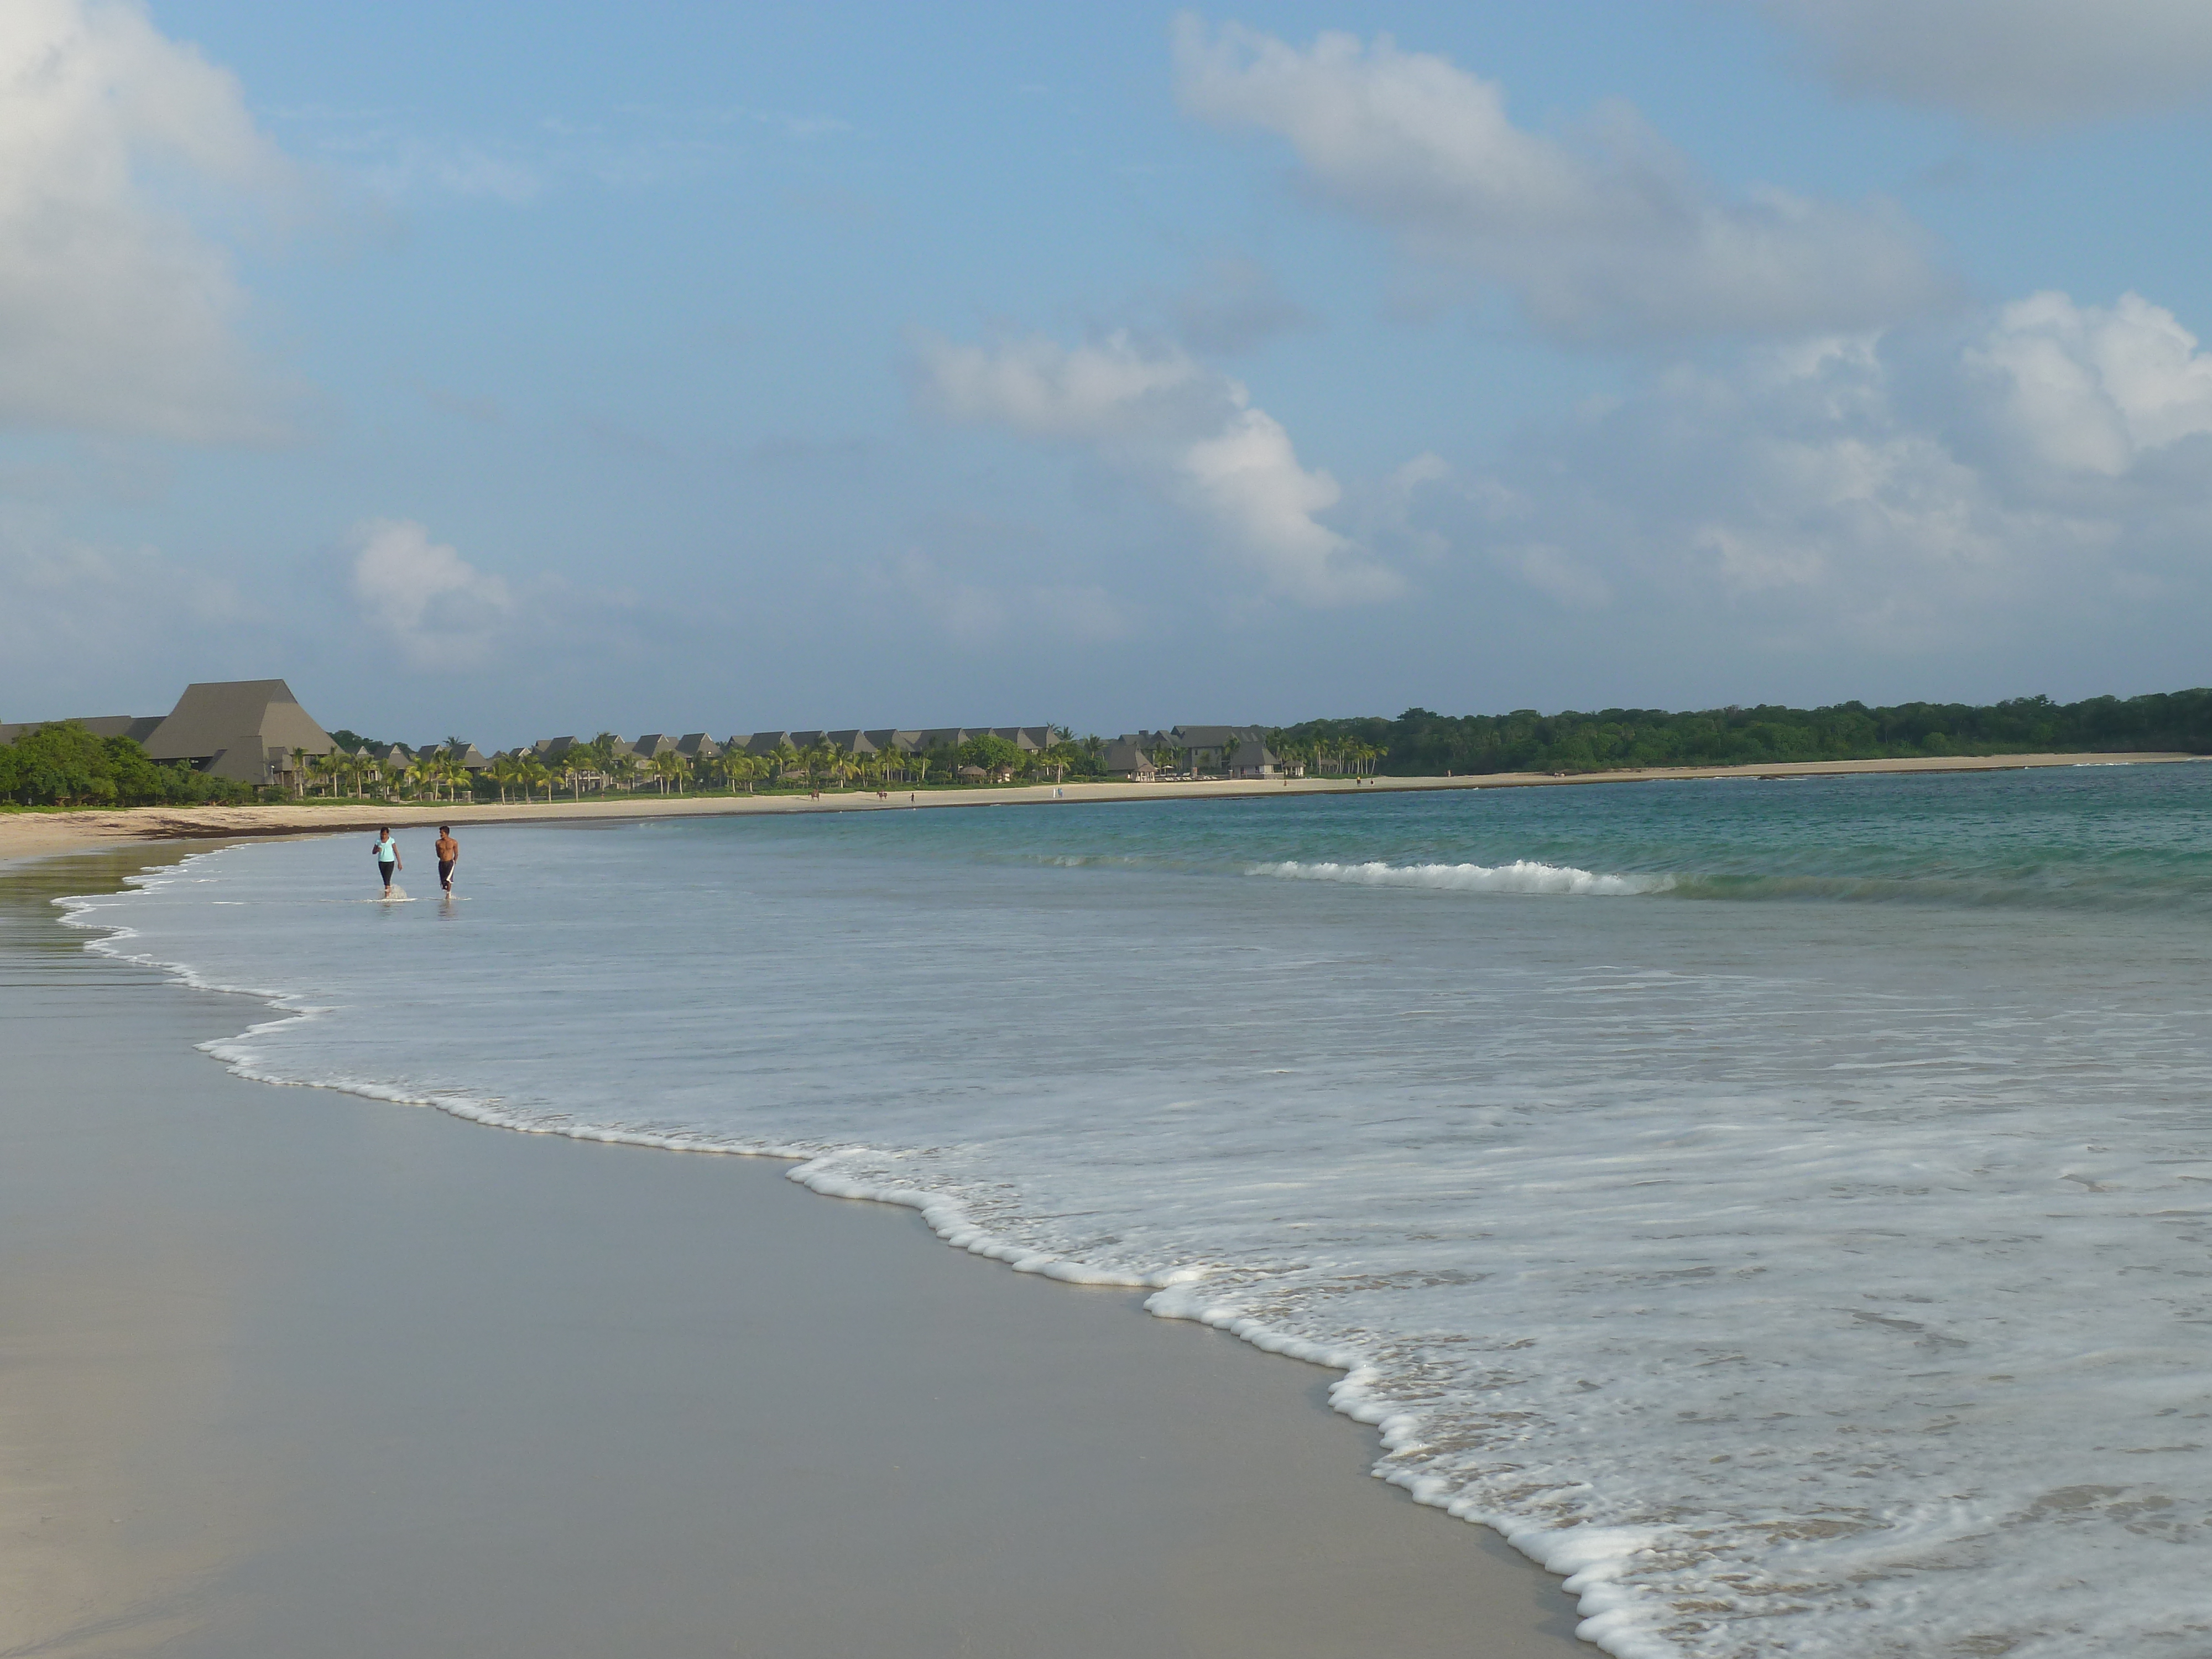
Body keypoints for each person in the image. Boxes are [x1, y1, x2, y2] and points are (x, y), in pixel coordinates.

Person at [373, 828, 400, 893]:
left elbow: (396, 851)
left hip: (390, 862)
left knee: (387, 880)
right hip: (381, 862)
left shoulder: (391, 840)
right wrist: (377, 850)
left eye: (385, 835)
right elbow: (373, 852)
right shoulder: (378, 841)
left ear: (388, 834)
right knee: (385, 880)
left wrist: (399, 863)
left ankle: (387, 897)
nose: (383, 836)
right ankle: (389, 894)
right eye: (382, 835)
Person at [434, 825, 459, 893]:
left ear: (446, 833)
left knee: (449, 879)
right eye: (440, 833)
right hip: (442, 862)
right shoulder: (438, 843)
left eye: (442, 833)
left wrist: (455, 861)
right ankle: (446, 891)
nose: (441, 834)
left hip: (450, 862)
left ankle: (448, 894)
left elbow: (456, 853)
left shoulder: (454, 842)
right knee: (443, 881)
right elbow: (438, 854)